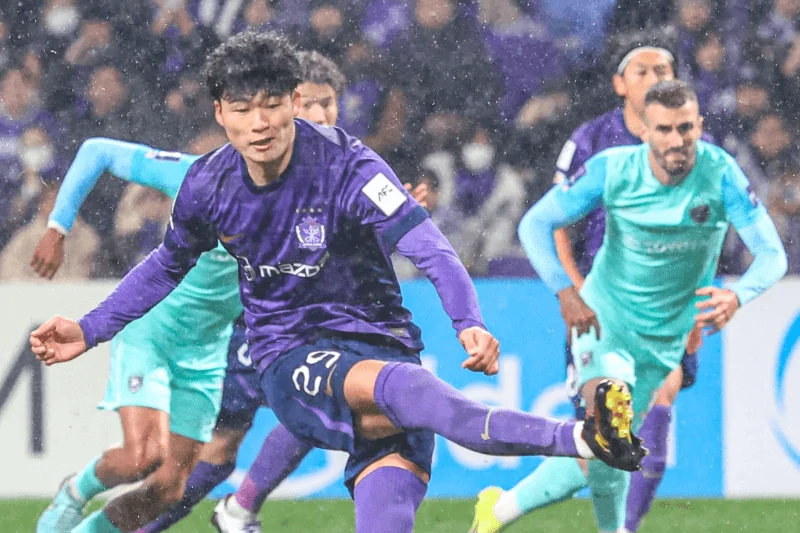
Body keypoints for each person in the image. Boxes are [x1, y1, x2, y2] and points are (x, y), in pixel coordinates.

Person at [30, 31, 644, 533]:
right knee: (418, 393)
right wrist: (90, 328)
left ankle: (235, 510)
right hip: (290, 353)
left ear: (293, 101)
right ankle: (584, 437)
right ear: (220, 114)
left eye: (272, 104)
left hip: (381, 343)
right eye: (241, 110)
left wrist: (469, 322)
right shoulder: (206, 184)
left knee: (395, 449)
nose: (259, 123)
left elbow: (428, 245)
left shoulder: (348, 164)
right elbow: (167, 263)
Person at [30, 50, 419, 533]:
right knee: (143, 457)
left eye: (328, 105)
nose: (318, 117)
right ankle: (80, 491)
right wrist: (58, 227)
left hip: (211, 349)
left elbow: (331, 260)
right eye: (310, 104)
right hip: (159, 332)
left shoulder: (321, 190)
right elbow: (99, 152)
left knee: (172, 485)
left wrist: (390, 223)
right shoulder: (202, 176)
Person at [513, 80, 786, 533]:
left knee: (607, 450)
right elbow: (535, 224)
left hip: (665, 336)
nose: (676, 140)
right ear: (643, 130)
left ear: (699, 124)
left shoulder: (721, 173)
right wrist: (565, 291)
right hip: (605, 321)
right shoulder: (612, 169)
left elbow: (772, 254)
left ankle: (496, 510)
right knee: (611, 427)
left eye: (685, 128)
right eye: (664, 129)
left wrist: (738, 294)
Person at [470, 30, 708, 533]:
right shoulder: (592, 141)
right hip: (602, 306)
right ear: (620, 83)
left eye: (663, 70)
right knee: (602, 440)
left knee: (656, 404)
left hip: (663, 307)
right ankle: (502, 509)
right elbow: (553, 221)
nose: (654, 78)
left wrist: (694, 306)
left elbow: (704, 233)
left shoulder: (692, 146)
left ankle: (623, 527)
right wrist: (574, 291)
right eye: (642, 70)